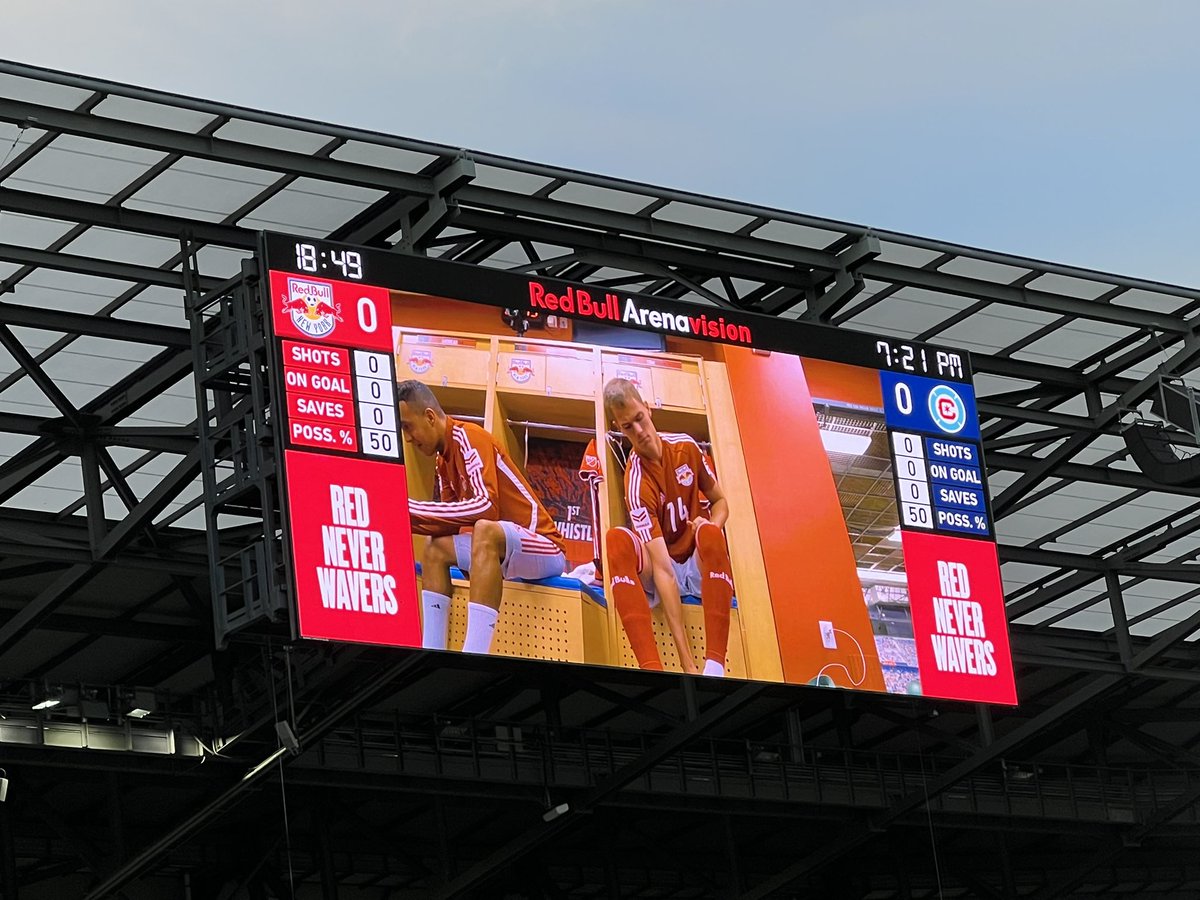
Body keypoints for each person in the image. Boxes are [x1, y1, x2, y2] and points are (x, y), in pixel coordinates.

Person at [397, 380, 567, 654]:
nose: (407, 437)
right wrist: (406, 519)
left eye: (408, 426)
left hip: (546, 547)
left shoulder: (469, 437)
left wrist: (410, 509)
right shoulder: (443, 461)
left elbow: (486, 506)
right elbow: (449, 524)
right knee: (434, 548)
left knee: (485, 529)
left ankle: (475, 655)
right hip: (504, 551)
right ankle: (431, 652)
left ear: (429, 416)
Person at [602, 378, 734, 676]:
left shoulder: (686, 447)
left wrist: (709, 524)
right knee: (617, 540)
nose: (639, 432)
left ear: (648, 409)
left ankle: (715, 666)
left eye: (639, 419)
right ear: (618, 428)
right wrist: (686, 664)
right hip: (662, 570)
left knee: (712, 532)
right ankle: (652, 670)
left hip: (696, 564)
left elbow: (722, 502)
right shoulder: (635, 482)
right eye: (627, 427)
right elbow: (662, 571)